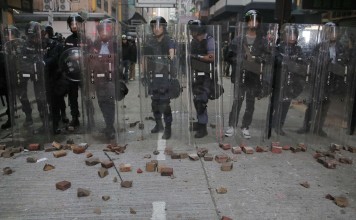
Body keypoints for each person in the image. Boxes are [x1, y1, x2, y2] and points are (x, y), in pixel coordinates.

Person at [297, 22, 350, 137]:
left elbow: (345, 62)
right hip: (319, 78)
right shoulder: (320, 46)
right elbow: (313, 59)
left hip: (332, 79)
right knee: (312, 103)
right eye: (329, 32)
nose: (332, 35)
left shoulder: (340, 48)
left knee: (325, 104)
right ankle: (306, 126)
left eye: (334, 32)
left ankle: (318, 127)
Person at [225, 10, 269, 139]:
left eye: (256, 21)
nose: (253, 23)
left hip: (253, 76)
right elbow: (228, 56)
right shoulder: (238, 39)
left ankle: (245, 126)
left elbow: (268, 56)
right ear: (247, 22)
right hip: (240, 74)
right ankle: (232, 125)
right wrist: (240, 59)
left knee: (250, 103)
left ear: (259, 23)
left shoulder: (262, 40)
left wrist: (259, 59)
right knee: (237, 101)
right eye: (251, 20)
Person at [143, 16, 176, 139]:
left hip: (164, 76)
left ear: (164, 27)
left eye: (158, 26)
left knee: (164, 103)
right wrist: (143, 74)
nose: (156, 29)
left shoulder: (168, 40)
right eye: (154, 27)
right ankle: (158, 125)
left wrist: (164, 61)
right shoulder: (150, 41)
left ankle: (168, 128)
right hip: (153, 76)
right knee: (155, 102)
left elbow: (171, 55)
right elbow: (144, 58)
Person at [88, 18, 119, 139]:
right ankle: (108, 124)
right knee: (101, 102)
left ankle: (110, 127)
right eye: (101, 31)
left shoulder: (115, 44)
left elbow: (118, 59)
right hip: (98, 78)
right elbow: (90, 58)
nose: (103, 33)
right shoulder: (95, 45)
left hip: (110, 78)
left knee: (109, 102)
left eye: (106, 31)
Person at [271, 24, 305, 135]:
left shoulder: (298, 49)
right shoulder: (278, 47)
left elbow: (301, 63)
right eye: (289, 34)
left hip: (292, 81)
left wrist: (295, 64)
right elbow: (276, 61)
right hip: (279, 80)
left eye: (294, 34)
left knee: (285, 104)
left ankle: (279, 125)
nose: (292, 37)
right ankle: (270, 123)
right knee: (275, 103)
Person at [188, 19, 215, 138]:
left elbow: (211, 57)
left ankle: (203, 127)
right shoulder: (193, 42)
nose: (192, 32)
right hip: (195, 73)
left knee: (201, 101)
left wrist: (196, 56)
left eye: (194, 29)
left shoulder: (209, 40)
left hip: (206, 75)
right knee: (196, 99)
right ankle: (200, 122)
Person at [42, 25, 67, 134]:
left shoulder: (56, 45)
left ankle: (56, 122)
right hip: (44, 78)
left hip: (56, 77)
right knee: (49, 101)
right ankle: (50, 122)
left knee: (57, 100)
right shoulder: (41, 45)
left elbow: (56, 59)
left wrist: (43, 62)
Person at [63, 13, 85, 129]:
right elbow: (65, 56)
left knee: (87, 96)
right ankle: (75, 117)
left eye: (77, 23)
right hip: (72, 73)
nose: (74, 26)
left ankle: (89, 116)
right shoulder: (68, 40)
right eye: (72, 24)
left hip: (84, 72)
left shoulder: (86, 39)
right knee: (72, 97)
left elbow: (91, 54)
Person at [0, 35, 11, 130]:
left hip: (5, 80)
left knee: (9, 101)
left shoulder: (4, 52)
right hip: (3, 80)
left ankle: (10, 119)